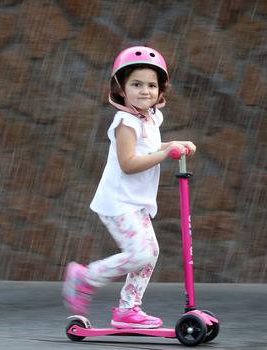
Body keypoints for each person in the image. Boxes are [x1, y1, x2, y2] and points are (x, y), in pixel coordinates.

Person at [62, 45, 196, 329]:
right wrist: (165, 154)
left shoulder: (150, 117)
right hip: (118, 202)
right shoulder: (125, 122)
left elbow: (149, 147)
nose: (144, 91)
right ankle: (85, 277)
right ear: (121, 89)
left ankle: (128, 309)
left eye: (151, 85)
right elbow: (129, 162)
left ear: (160, 92)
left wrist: (172, 145)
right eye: (136, 84)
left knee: (150, 253)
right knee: (141, 253)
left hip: (136, 202)